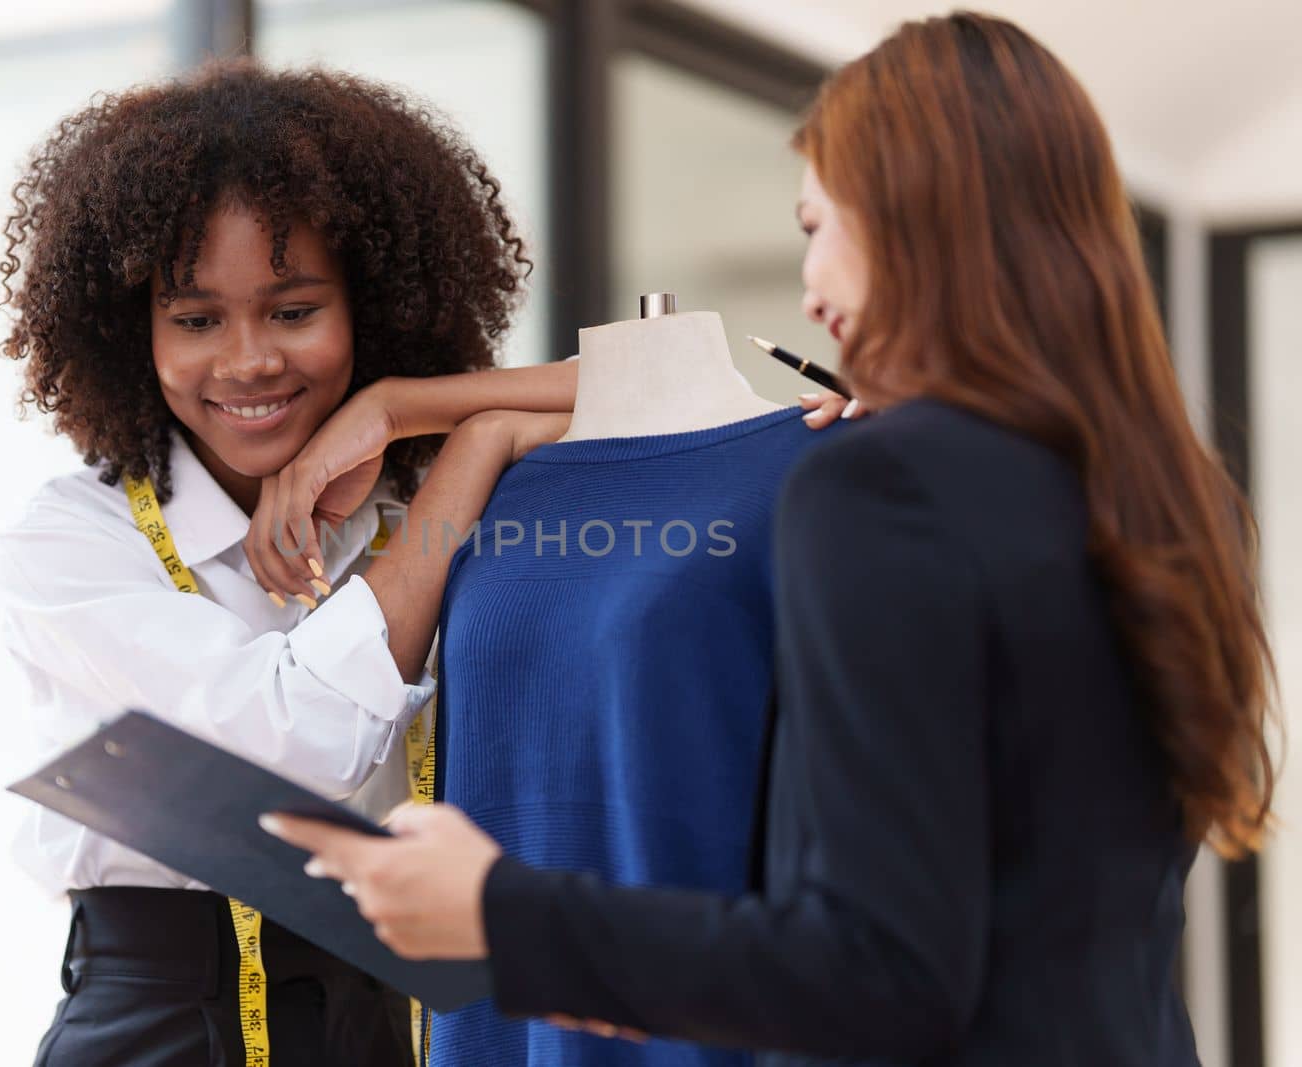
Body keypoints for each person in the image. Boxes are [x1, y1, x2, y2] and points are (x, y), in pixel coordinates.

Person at [265, 12, 1278, 1066]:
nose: (809, 289)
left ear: (907, 221)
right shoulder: (1162, 497)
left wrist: (503, 913)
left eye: (814, 225)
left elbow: (872, 971)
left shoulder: (878, 485)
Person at [0, 58, 591, 1067]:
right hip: (165, 1015)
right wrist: (472, 450)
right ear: (129, 331)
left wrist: (403, 408)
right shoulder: (72, 545)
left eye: (293, 309)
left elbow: (670, 396)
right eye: (194, 319)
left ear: (375, 305)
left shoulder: (397, 504)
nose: (249, 358)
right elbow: (299, 745)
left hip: (397, 1009)